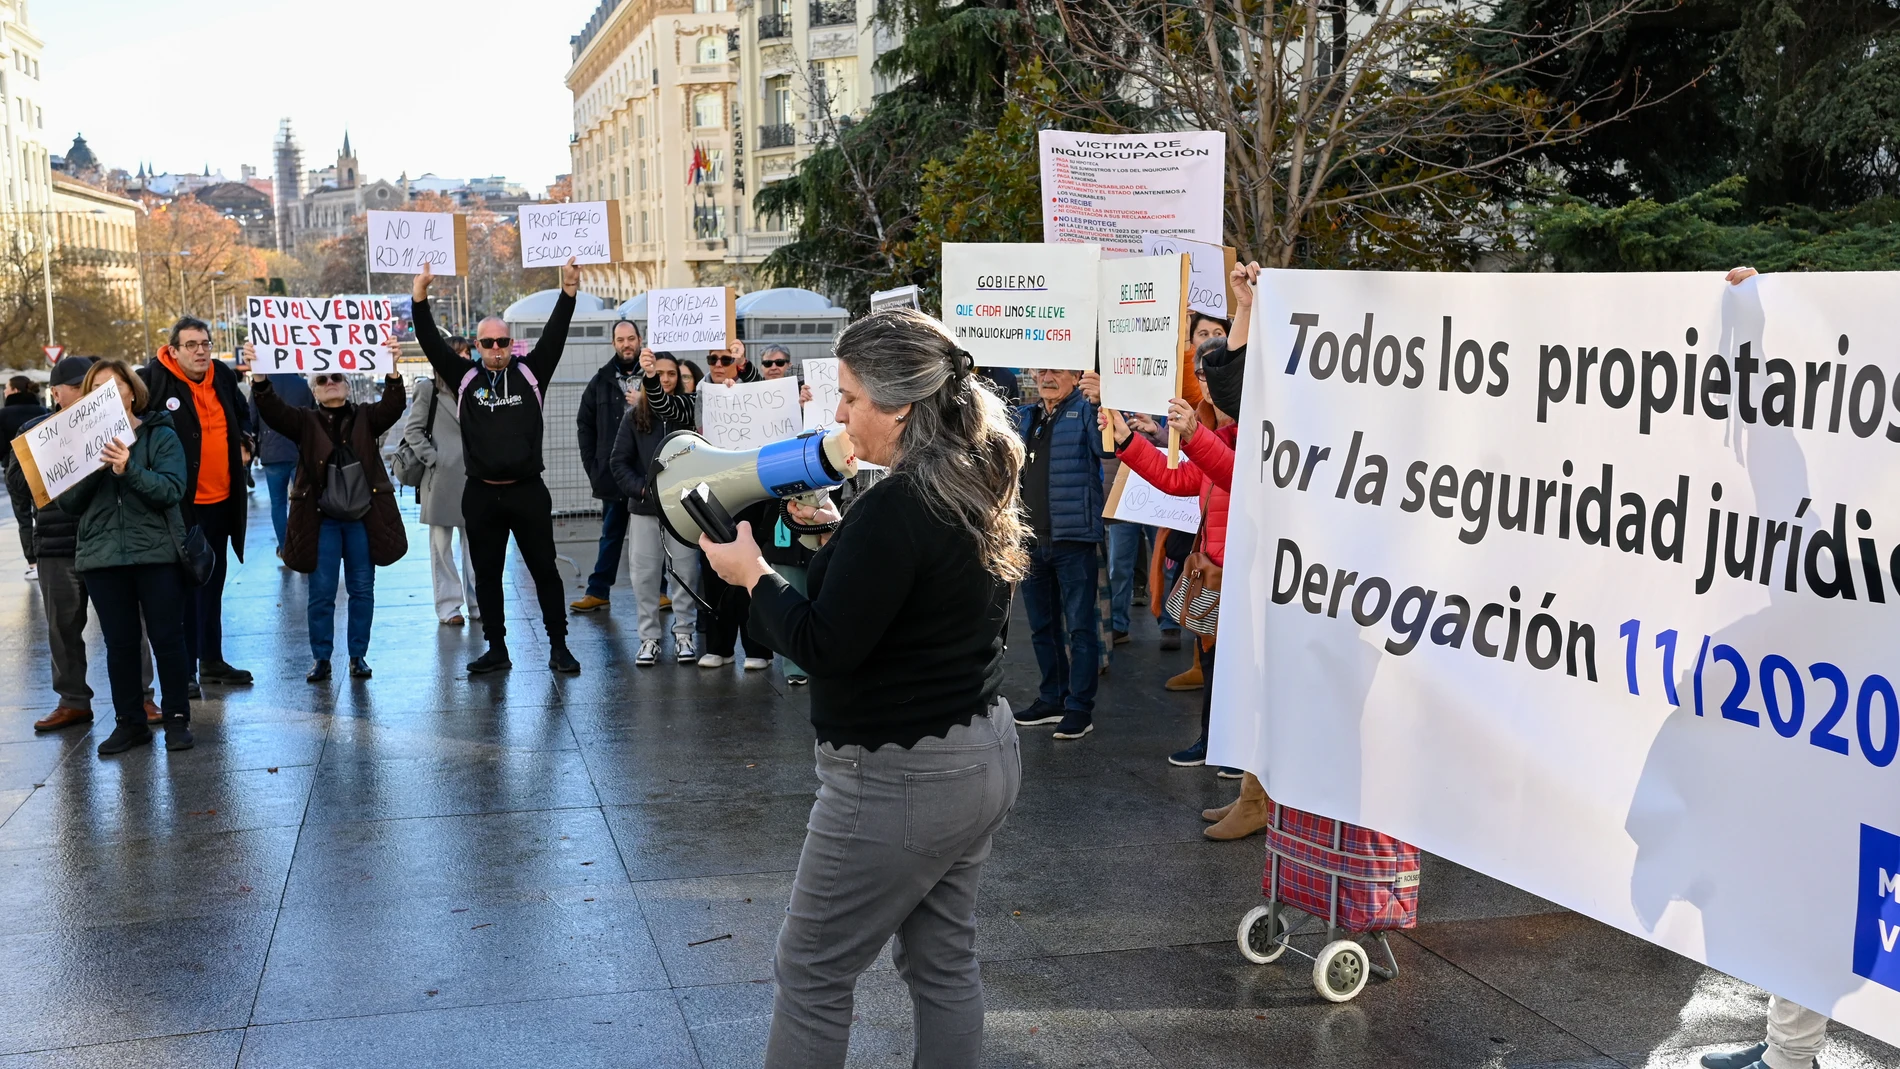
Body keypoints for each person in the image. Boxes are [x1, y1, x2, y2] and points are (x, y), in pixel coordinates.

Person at [699, 307, 1023, 1068]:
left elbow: (825, 645)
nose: (836, 412)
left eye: (848, 396)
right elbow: (907, 591)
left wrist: (754, 575)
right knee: (943, 965)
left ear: (900, 406)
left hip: (899, 775)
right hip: (981, 751)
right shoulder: (968, 476)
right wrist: (832, 533)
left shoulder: (898, 506)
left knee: (812, 971)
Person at [411, 258, 583, 674]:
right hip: (482, 493)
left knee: (544, 570)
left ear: (511, 343)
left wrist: (569, 291)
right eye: (487, 343)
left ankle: (558, 646)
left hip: (527, 491)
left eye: (502, 342)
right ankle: (496, 648)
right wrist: (420, 296)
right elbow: (431, 342)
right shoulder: (464, 377)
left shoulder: (532, 372)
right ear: (477, 345)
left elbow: (556, 334)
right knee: (485, 576)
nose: (495, 350)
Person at [10, 356, 159, 731]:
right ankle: (73, 700)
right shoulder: (36, 432)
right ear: (56, 393)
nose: (80, 394)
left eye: (87, 387)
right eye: (73, 388)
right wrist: (30, 546)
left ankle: (143, 697)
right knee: (63, 628)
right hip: (57, 547)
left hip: (106, 541)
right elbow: (19, 490)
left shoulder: (120, 427)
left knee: (128, 625)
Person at [56, 359, 195, 756]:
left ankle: (177, 720)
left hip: (156, 555)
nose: (106, 397)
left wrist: (128, 468)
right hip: (103, 559)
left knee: (167, 640)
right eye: (96, 390)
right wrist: (99, 466)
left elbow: (171, 490)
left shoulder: (159, 435)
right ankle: (129, 723)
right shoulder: (79, 444)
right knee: (120, 645)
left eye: (113, 388)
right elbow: (69, 503)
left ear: (132, 392)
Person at [250, 363, 408, 682]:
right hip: (321, 520)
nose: (330, 382)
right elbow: (272, 410)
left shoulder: (365, 416)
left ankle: (357, 656)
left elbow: (393, 405)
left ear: (347, 385)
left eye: (337, 378)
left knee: (362, 588)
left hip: (362, 517)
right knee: (321, 592)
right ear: (314, 390)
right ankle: (321, 658)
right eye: (322, 379)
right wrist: (259, 378)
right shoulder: (304, 422)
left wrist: (392, 371)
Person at [141, 317, 254, 689]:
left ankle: (212, 660)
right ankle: (184, 671)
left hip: (222, 499)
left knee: (213, 582)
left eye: (205, 343)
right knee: (184, 589)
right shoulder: (154, 380)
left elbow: (243, 416)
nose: (201, 351)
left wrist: (247, 443)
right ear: (173, 350)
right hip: (180, 506)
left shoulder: (221, 374)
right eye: (191, 345)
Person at [1009, 367, 1110, 739]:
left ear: (1075, 376)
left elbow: (1105, 448)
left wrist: (1102, 402)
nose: (1046, 377)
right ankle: (1052, 697)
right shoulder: (1025, 416)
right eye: (1041, 370)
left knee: (1081, 627)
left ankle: (1079, 708)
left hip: (1073, 540)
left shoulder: (1085, 410)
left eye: (1056, 370)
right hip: (1031, 541)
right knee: (1042, 627)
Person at [607, 350, 702, 665]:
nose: (665, 379)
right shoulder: (634, 416)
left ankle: (684, 634)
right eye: (659, 373)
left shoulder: (688, 412)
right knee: (645, 577)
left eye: (671, 373)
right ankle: (649, 639)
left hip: (684, 511)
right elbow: (618, 462)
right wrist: (643, 489)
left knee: (686, 573)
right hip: (646, 510)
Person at [695, 339, 772, 669]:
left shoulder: (749, 388)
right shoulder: (699, 395)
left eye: (725, 358)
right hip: (712, 493)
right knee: (713, 573)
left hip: (749, 492)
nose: (717, 363)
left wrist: (743, 366)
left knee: (751, 570)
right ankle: (719, 647)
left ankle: (758, 650)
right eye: (712, 358)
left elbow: (766, 397)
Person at [570, 319, 651, 614]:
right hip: (614, 472)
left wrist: (647, 399)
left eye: (631, 338)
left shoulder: (655, 374)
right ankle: (598, 591)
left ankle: (663, 590)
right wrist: (594, 465)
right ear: (613, 343)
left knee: (658, 533)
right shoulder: (601, 380)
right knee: (611, 534)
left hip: (649, 470)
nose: (626, 344)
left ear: (640, 339)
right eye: (621, 339)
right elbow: (584, 424)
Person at [754, 345, 815, 684]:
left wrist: (808, 407)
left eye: (779, 363)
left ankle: (810, 658)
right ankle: (793, 666)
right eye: (768, 363)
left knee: (809, 581)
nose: (774, 367)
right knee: (787, 581)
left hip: (808, 501)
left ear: (789, 366)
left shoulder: (804, 397)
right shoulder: (755, 398)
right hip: (772, 509)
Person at [401, 367, 480, 626]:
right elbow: (412, 430)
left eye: (466, 355)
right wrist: (435, 459)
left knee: (478, 546)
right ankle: (448, 607)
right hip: (442, 478)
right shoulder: (429, 389)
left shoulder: (478, 386)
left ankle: (479, 604)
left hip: (475, 476)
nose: (462, 360)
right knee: (441, 546)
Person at [251, 373, 314, 560]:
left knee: (278, 503)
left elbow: (252, 418)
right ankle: (304, 546)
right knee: (303, 503)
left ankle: (285, 549)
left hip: (273, 452)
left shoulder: (261, 385)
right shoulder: (304, 385)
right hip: (299, 451)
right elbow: (313, 415)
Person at [2, 374, 50, 579]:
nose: (4, 391)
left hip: (14, 472)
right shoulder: (42, 411)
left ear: (14, 391)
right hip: (43, 469)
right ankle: (46, 555)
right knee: (42, 514)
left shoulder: (2, 415)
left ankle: (33, 563)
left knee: (23, 519)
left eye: (6, 388)